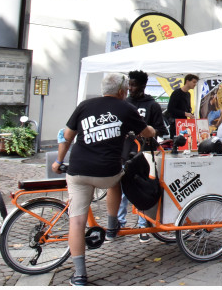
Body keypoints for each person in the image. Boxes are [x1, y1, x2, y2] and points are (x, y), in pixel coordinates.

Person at [51, 73, 156, 286]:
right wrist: (152, 131)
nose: (127, 92)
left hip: (78, 171)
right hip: (107, 172)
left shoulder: (84, 106)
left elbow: (67, 136)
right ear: (121, 91)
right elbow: (146, 131)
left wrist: (58, 161)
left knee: (77, 220)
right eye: (125, 89)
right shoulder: (126, 108)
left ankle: (79, 275)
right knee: (117, 180)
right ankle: (111, 227)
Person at [117, 70, 167, 243]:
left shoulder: (152, 105)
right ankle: (120, 223)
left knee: (140, 189)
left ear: (143, 86)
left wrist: (148, 134)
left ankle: (142, 225)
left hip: (144, 154)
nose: (130, 88)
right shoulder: (123, 102)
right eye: (128, 84)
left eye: (133, 85)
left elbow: (160, 129)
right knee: (122, 191)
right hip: (124, 152)